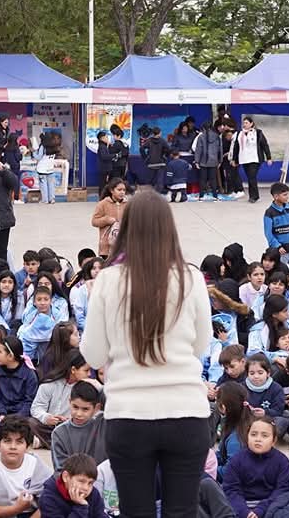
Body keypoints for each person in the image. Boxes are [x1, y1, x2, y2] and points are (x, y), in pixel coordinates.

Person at [80, 190, 212, 518]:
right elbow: (201, 345)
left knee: (134, 511)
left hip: (129, 414)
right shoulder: (190, 278)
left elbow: (93, 355)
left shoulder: (108, 280)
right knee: (182, 511)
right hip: (186, 412)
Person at [221, 417, 289, 518]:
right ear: (247, 436)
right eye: (253, 434)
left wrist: (261, 509)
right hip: (241, 506)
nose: (258, 439)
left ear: (274, 440)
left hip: (271, 506)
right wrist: (244, 512)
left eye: (264, 436)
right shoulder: (237, 460)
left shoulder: (282, 461)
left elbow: (283, 490)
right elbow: (231, 489)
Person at [39, 453, 106, 518]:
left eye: (90, 483)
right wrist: (81, 507)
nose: (86, 488)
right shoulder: (49, 498)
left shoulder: (94, 494)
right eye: (81, 481)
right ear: (66, 477)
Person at [231, 117, 272, 204]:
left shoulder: (258, 132)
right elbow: (236, 147)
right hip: (244, 159)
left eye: (246, 123)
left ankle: (254, 196)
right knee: (250, 177)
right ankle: (252, 196)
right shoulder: (239, 133)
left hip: (255, 159)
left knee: (252, 177)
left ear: (251, 123)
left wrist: (268, 157)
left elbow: (264, 145)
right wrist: (235, 159)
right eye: (244, 123)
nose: (244, 124)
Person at [264, 183, 289, 268]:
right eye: (284, 195)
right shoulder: (269, 213)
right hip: (281, 251)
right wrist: (277, 246)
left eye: (287, 194)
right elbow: (268, 234)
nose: (287, 197)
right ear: (276, 196)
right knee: (281, 270)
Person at [91, 179, 126, 259]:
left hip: (123, 245)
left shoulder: (127, 204)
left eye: (124, 190)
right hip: (106, 247)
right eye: (119, 190)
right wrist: (106, 220)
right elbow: (94, 221)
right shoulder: (103, 204)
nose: (122, 192)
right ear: (111, 190)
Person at [192, 122, 221, 201]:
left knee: (202, 179)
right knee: (213, 179)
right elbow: (220, 149)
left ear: (203, 128)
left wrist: (197, 161)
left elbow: (198, 150)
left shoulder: (201, 137)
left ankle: (201, 196)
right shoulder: (217, 136)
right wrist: (220, 160)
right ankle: (215, 195)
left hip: (203, 161)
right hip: (214, 161)